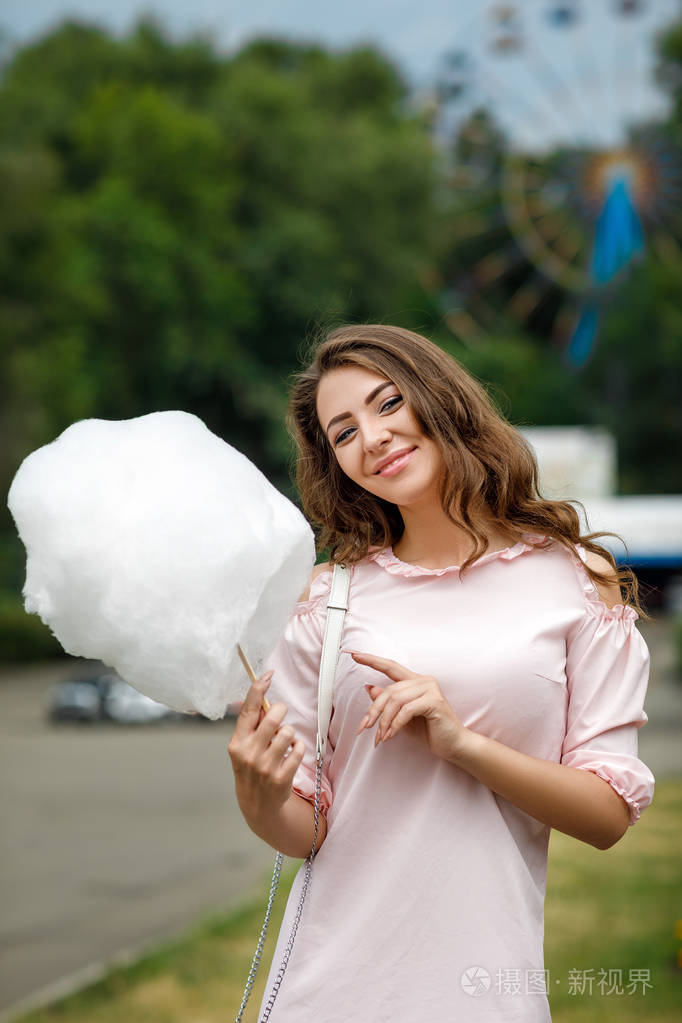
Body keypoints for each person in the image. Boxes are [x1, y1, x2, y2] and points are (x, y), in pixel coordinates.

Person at [228, 324, 655, 1022]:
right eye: (343, 432)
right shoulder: (324, 601)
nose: (372, 437)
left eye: (388, 402)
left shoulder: (576, 581)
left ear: (441, 397)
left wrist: (464, 744)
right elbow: (309, 831)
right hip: (325, 993)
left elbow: (607, 815)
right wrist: (257, 791)